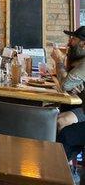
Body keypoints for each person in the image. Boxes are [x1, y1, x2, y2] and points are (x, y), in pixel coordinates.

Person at [53, 27, 85, 183]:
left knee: (64, 130)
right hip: (80, 107)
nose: (69, 42)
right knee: (58, 116)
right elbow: (68, 84)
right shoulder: (78, 62)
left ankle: (60, 174)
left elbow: (65, 84)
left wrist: (59, 60)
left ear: (83, 44)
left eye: (73, 39)